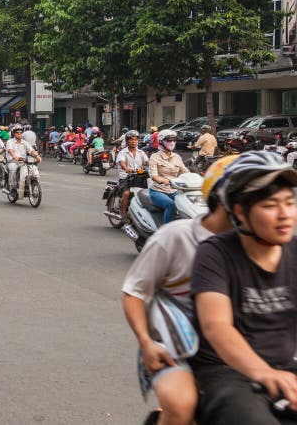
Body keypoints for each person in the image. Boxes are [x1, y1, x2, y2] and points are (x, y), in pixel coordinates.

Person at [122, 156, 237, 425]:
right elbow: (133, 293)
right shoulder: (176, 237)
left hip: (233, 348)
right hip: (174, 346)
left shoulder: (262, 245)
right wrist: (146, 341)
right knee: (181, 407)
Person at [191, 151, 297, 424]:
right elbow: (217, 326)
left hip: (286, 369)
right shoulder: (215, 253)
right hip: (226, 374)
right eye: (271, 205)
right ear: (240, 211)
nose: (285, 214)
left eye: (289, 202)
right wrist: (263, 372)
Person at [149, 129, 189, 224]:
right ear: (161, 142)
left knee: (188, 202)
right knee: (170, 205)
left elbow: (185, 171)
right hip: (158, 191)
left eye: (174, 140)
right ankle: (166, 230)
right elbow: (154, 176)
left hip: (174, 190)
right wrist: (165, 181)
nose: (172, 143)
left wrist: (196, 178)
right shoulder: (155, 157)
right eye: (168, 140)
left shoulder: (177, 157)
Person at [116, 130, 150, 220]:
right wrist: (126, 168)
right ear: (127, 141)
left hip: (139, 177)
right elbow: (121, 162)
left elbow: (147, 162)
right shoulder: (122, 152)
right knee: (127, 193)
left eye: (135, 139)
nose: (134, 141)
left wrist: (154, 164)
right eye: (131, 140)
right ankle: (123, 213)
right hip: (126, 178)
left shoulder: (141, 152)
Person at [4, 126, 40, 194]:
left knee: (32, 169)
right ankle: (12, 188)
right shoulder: (10, 142)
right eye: (17, 133)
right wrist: (14, 156)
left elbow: (31, 150)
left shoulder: (25, 142)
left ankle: (30, 184)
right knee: (13, 169)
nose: (19, 134)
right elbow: (10, 150)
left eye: (20, 133)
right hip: (12, 162)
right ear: (14, 134)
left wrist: (37, 156)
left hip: (23, 162)